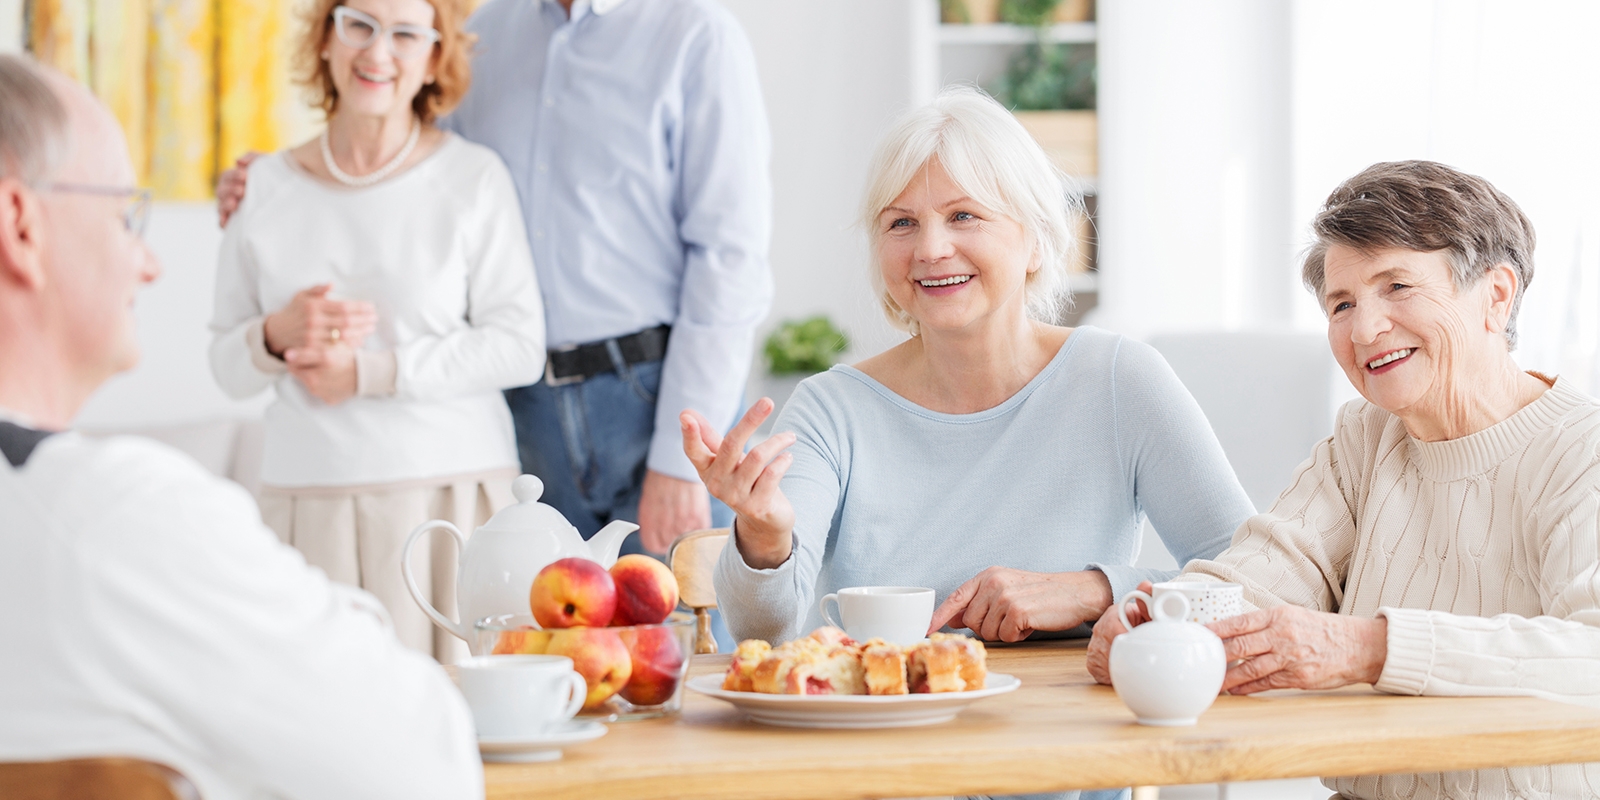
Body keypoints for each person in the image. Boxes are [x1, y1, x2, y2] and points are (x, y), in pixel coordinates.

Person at [0, 54, 480, 799]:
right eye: (125, 216)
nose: (149, 261)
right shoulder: (119, 520)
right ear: (20, 225)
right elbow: (429, 767)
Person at [1087, 161, 1600, 798]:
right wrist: (1166, 620)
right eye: (1342, 304)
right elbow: (1262, 574)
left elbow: (1593, 656)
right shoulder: (1366, 437)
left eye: (1398, 287)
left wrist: (1372, 648)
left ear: (1497, 295)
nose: (1364, 329)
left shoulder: (1584, 449)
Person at [683, 86, 1255, 653]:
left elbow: (1255, 583)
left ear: (1035, 240)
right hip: (889, 729)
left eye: (963, 215)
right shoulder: (830, 409)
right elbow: (763, 632)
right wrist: (763, 536)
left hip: (1072, 730)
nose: (930, 248)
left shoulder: (1120, 380)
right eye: (901, 223)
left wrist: (1098, 590)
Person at [219, 0, 773, 558]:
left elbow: (729, 257)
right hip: (526, 412)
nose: (381, 44)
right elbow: (401, 164)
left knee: (679, 629)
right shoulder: (483, 34)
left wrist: (679, 461)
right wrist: (278, 182)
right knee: (551, 638)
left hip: (656, 394)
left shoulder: (696, 36)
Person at [209, 0, 546, 661]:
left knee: (468, 735)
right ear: (327, 41)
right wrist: (276, 335)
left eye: (405, 34)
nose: (378, 51)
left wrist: (372, 372)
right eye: (358, 24)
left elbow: (518, 345)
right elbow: (225, 365)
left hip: (447, 496)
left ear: (433, 58)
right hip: (308, 504)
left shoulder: (472, 178)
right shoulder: (263, 187)